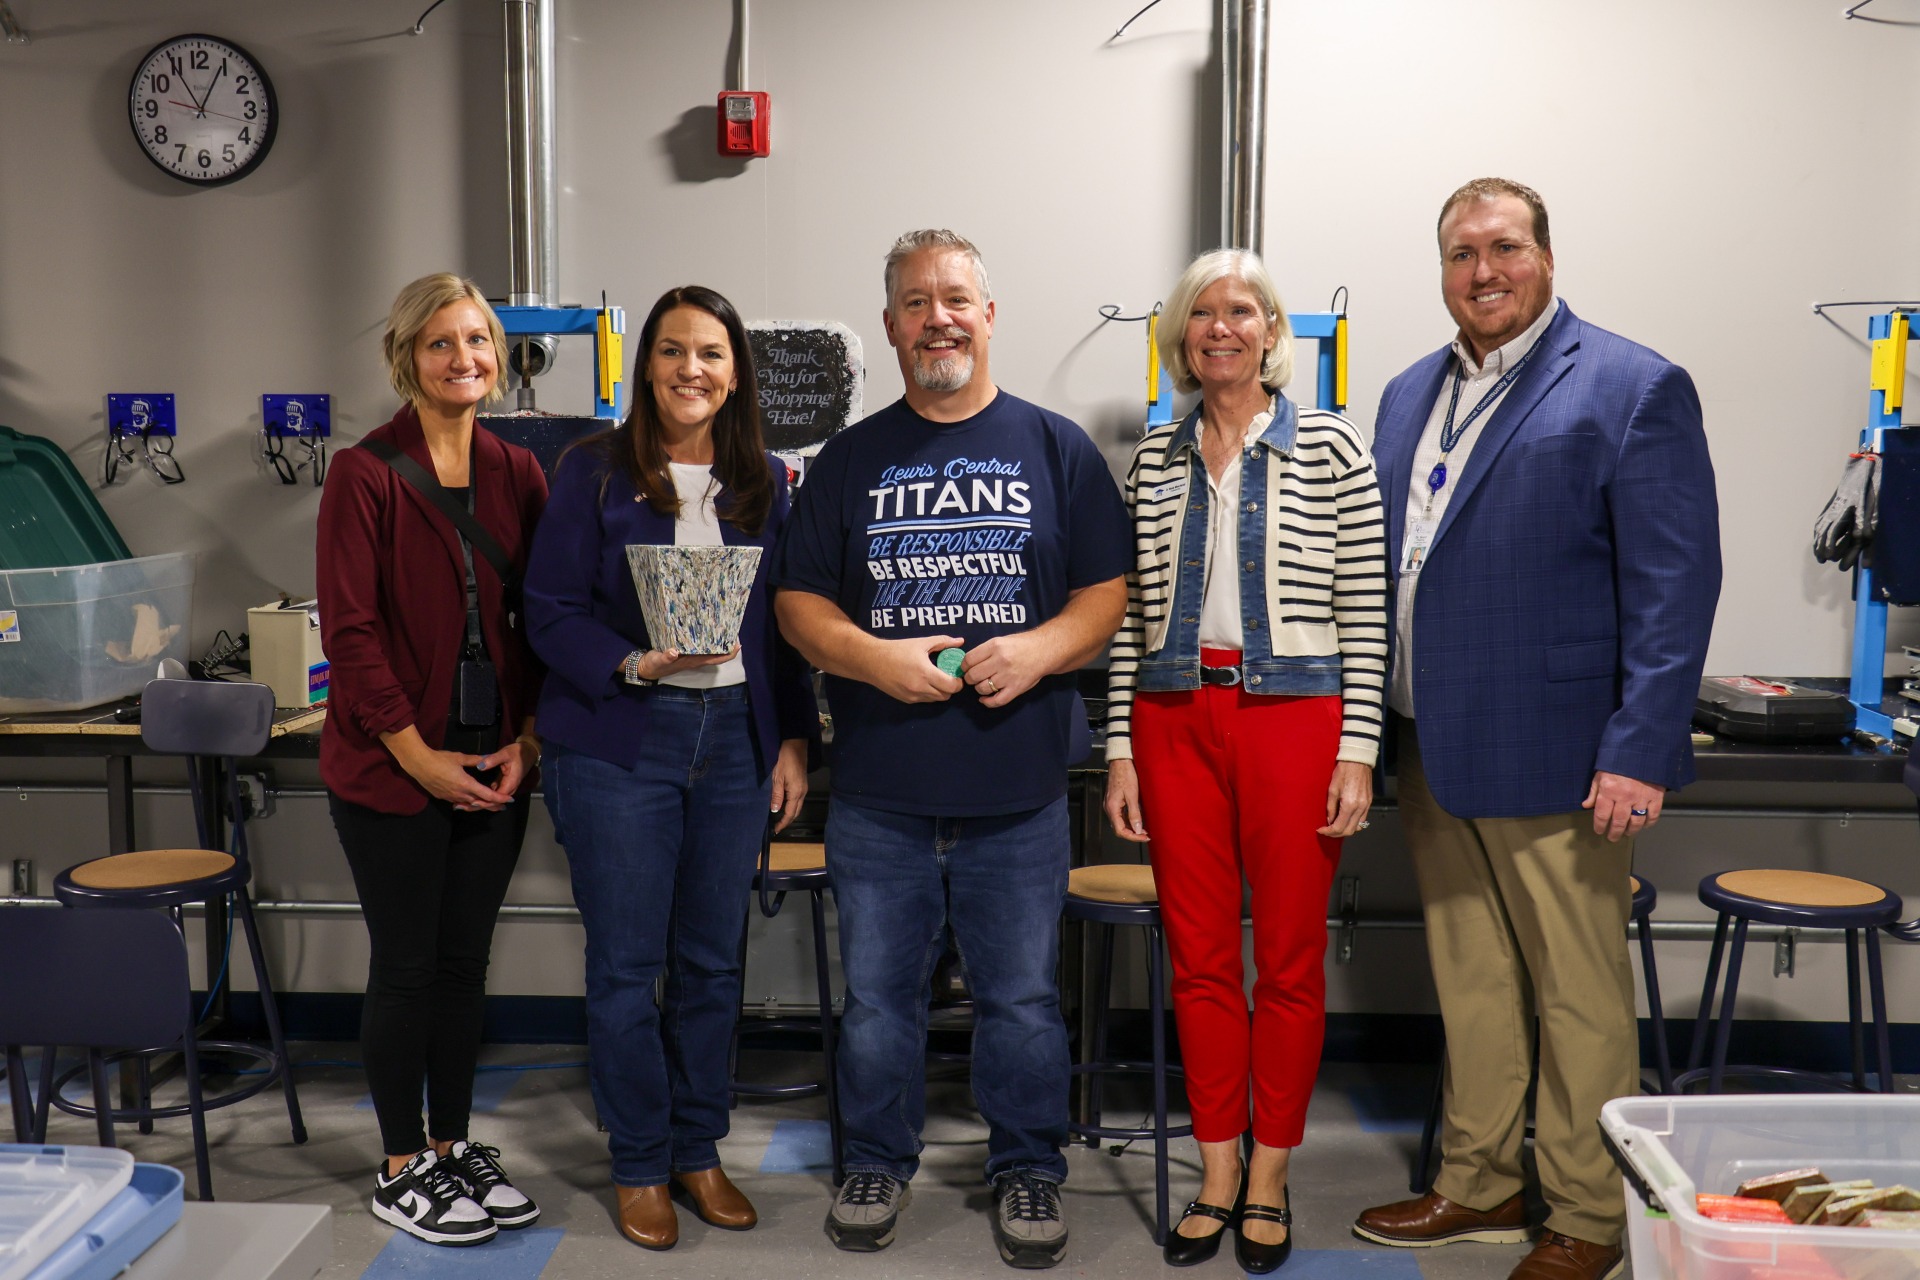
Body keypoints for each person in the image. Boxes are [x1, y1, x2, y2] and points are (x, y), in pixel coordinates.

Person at [1350, 179, 1720, 1280]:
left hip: (1564, 748)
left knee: (1576, 990)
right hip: (1433, 738)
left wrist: (1638, 743)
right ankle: (1478, 1178)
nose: (1483, 271)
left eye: (1504, 247)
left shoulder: (1629, 383)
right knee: (1470, 978)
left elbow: (1675, 581)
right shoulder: (1412, 390)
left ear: (1546, 256)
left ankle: (1589, 1212)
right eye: (1461, 253)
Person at [772, 229, 1130, 1271]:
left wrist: (1041, 648)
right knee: (879, 1000)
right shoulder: (849, 459)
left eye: (957, 298)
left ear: (988, 313)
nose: (940, 317)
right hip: (881, 792)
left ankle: (1028, 1166)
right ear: (891, 326)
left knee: (1021, 998)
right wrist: (874, 661)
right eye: (918, 302)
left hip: (1015, 791)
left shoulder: (1057, 448)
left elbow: (1105, 596)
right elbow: (798, 603)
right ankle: (877, 1157)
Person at [1103, 249, 1387, 1273]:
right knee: (1201, 956)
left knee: (1292, 959)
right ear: (1181, 337)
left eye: (1240, 311)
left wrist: (1359, 747)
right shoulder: (1153, 457)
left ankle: (1272, 1169)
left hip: (1295, 721)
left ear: (1273, 330)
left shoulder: (1335, 452)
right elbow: (1130, 618)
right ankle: (1217, 1168)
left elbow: (1365, 612)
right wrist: (1122, 747)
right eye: (1199, 315)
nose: (1219, 328)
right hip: (1175, 717)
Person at [522, 285, 814, 1252]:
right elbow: (548, 608)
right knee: (626, 967)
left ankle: (699, 1149)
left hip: (734, 739)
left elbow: (784, 628)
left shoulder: (765, 479)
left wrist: (792, 740)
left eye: (713, 354)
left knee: (710, 964)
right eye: (675, 350)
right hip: (621, 737)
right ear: (646, 364)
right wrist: (627, 661)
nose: (694, 369)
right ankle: (641, 1162)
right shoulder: (593, 472)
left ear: (737, 374)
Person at [317, 273, 549, 1247]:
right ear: (406, 357)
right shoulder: (363, 474)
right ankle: (401, 1159)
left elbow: (543, 620)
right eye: (442, 343)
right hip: (389, 768)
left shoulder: (520, 473)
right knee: (407, 965)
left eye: (478, 341)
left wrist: (527, 740)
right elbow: (352, 630)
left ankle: (453, 1144)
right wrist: (414, 756)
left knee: (464, 964)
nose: (464, 359)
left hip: (493, 759)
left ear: (498, 356)